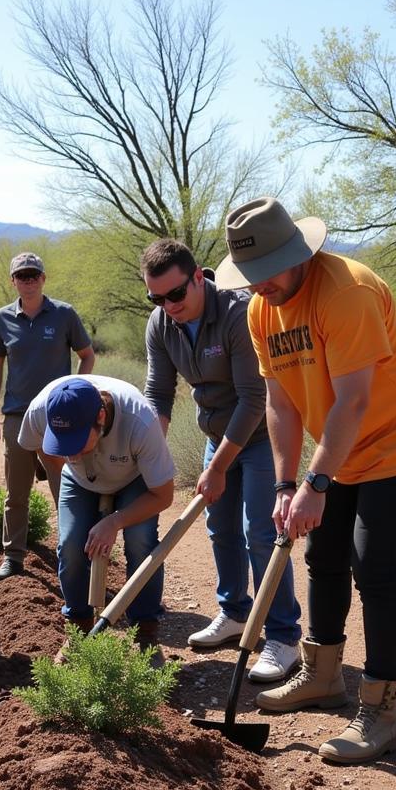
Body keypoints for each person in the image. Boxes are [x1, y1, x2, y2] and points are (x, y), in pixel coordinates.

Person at [215, 197, 396, 764]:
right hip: (336, 449)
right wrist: (286, 484)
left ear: (296, 253)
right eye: (248, 276)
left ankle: (382, 711)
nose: (257, 285)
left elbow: (354, 401)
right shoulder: (259, 309)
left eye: (265, 271)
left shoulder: (346, 292)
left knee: (376, 568)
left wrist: (317, 486)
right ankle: (323, 676)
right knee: (322, 555)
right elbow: (281, 401)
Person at [141, 238, 303, 682]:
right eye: (157, 298)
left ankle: (284, 637)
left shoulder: (237, 312)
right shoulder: (161, 324)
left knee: (259, 531)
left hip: (259, 437)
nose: (168, 305)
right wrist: (148, 453)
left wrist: (214, 469)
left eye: (176, 294)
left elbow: (254, 400)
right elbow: (158, 393)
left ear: (198, 277)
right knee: (221, 529)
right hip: (217, 435)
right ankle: (234, 613)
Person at [19, 375, 175, 651]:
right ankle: (79, 633)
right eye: (62, 443)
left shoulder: (140, 421)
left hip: (134, 480)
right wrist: (69, 492)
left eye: (76, 442)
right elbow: (39, 449)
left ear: (100, 417)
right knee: (70, 544)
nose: (70, 453)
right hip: (79, 481)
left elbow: (163, 496)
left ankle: (146, 635)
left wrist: (114, 521)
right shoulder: (41, 408)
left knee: (141, 542)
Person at [0, 252, 95, 581]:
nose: (28, 280)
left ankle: (73, 555)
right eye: (22, 275)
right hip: (17, 415)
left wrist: (77, 391)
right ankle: (13, 557)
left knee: (65, 488)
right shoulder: (2, 319)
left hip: (56, 415)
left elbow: (87, 356)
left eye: (34, 275)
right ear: (13, 281)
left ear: (43, 278)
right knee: (16, 491)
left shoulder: (64, 314)